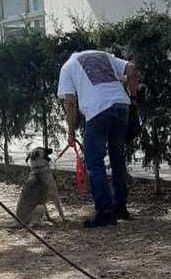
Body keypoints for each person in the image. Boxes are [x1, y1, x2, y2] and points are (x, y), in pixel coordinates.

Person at [57, 49, 139, 228]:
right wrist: (133, 99)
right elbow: (131, 69)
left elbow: (70, 102)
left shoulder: (67, 67)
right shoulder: (102, 55)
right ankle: (120, 208)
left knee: (94, 162)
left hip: (98, 110)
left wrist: (71, 132)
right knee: (118, 158)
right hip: (122, 105)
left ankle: (105, 212)